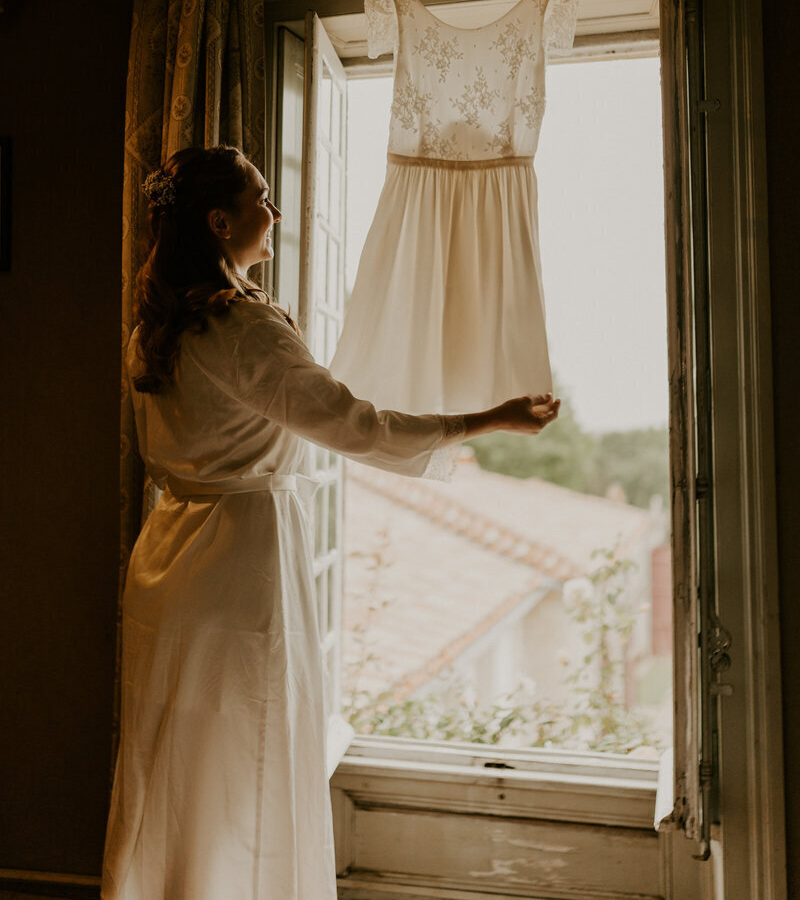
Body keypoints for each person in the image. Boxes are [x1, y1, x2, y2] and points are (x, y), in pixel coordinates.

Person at [101, 143, 561, 900]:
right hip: (238, 561)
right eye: (261, 198)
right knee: (247, 757)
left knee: (176, 759)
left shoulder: (155, 327)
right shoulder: (240, 326)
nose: (273, 212)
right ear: (221, 222)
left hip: (167, 561)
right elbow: (355, 424)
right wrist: (488, 419)